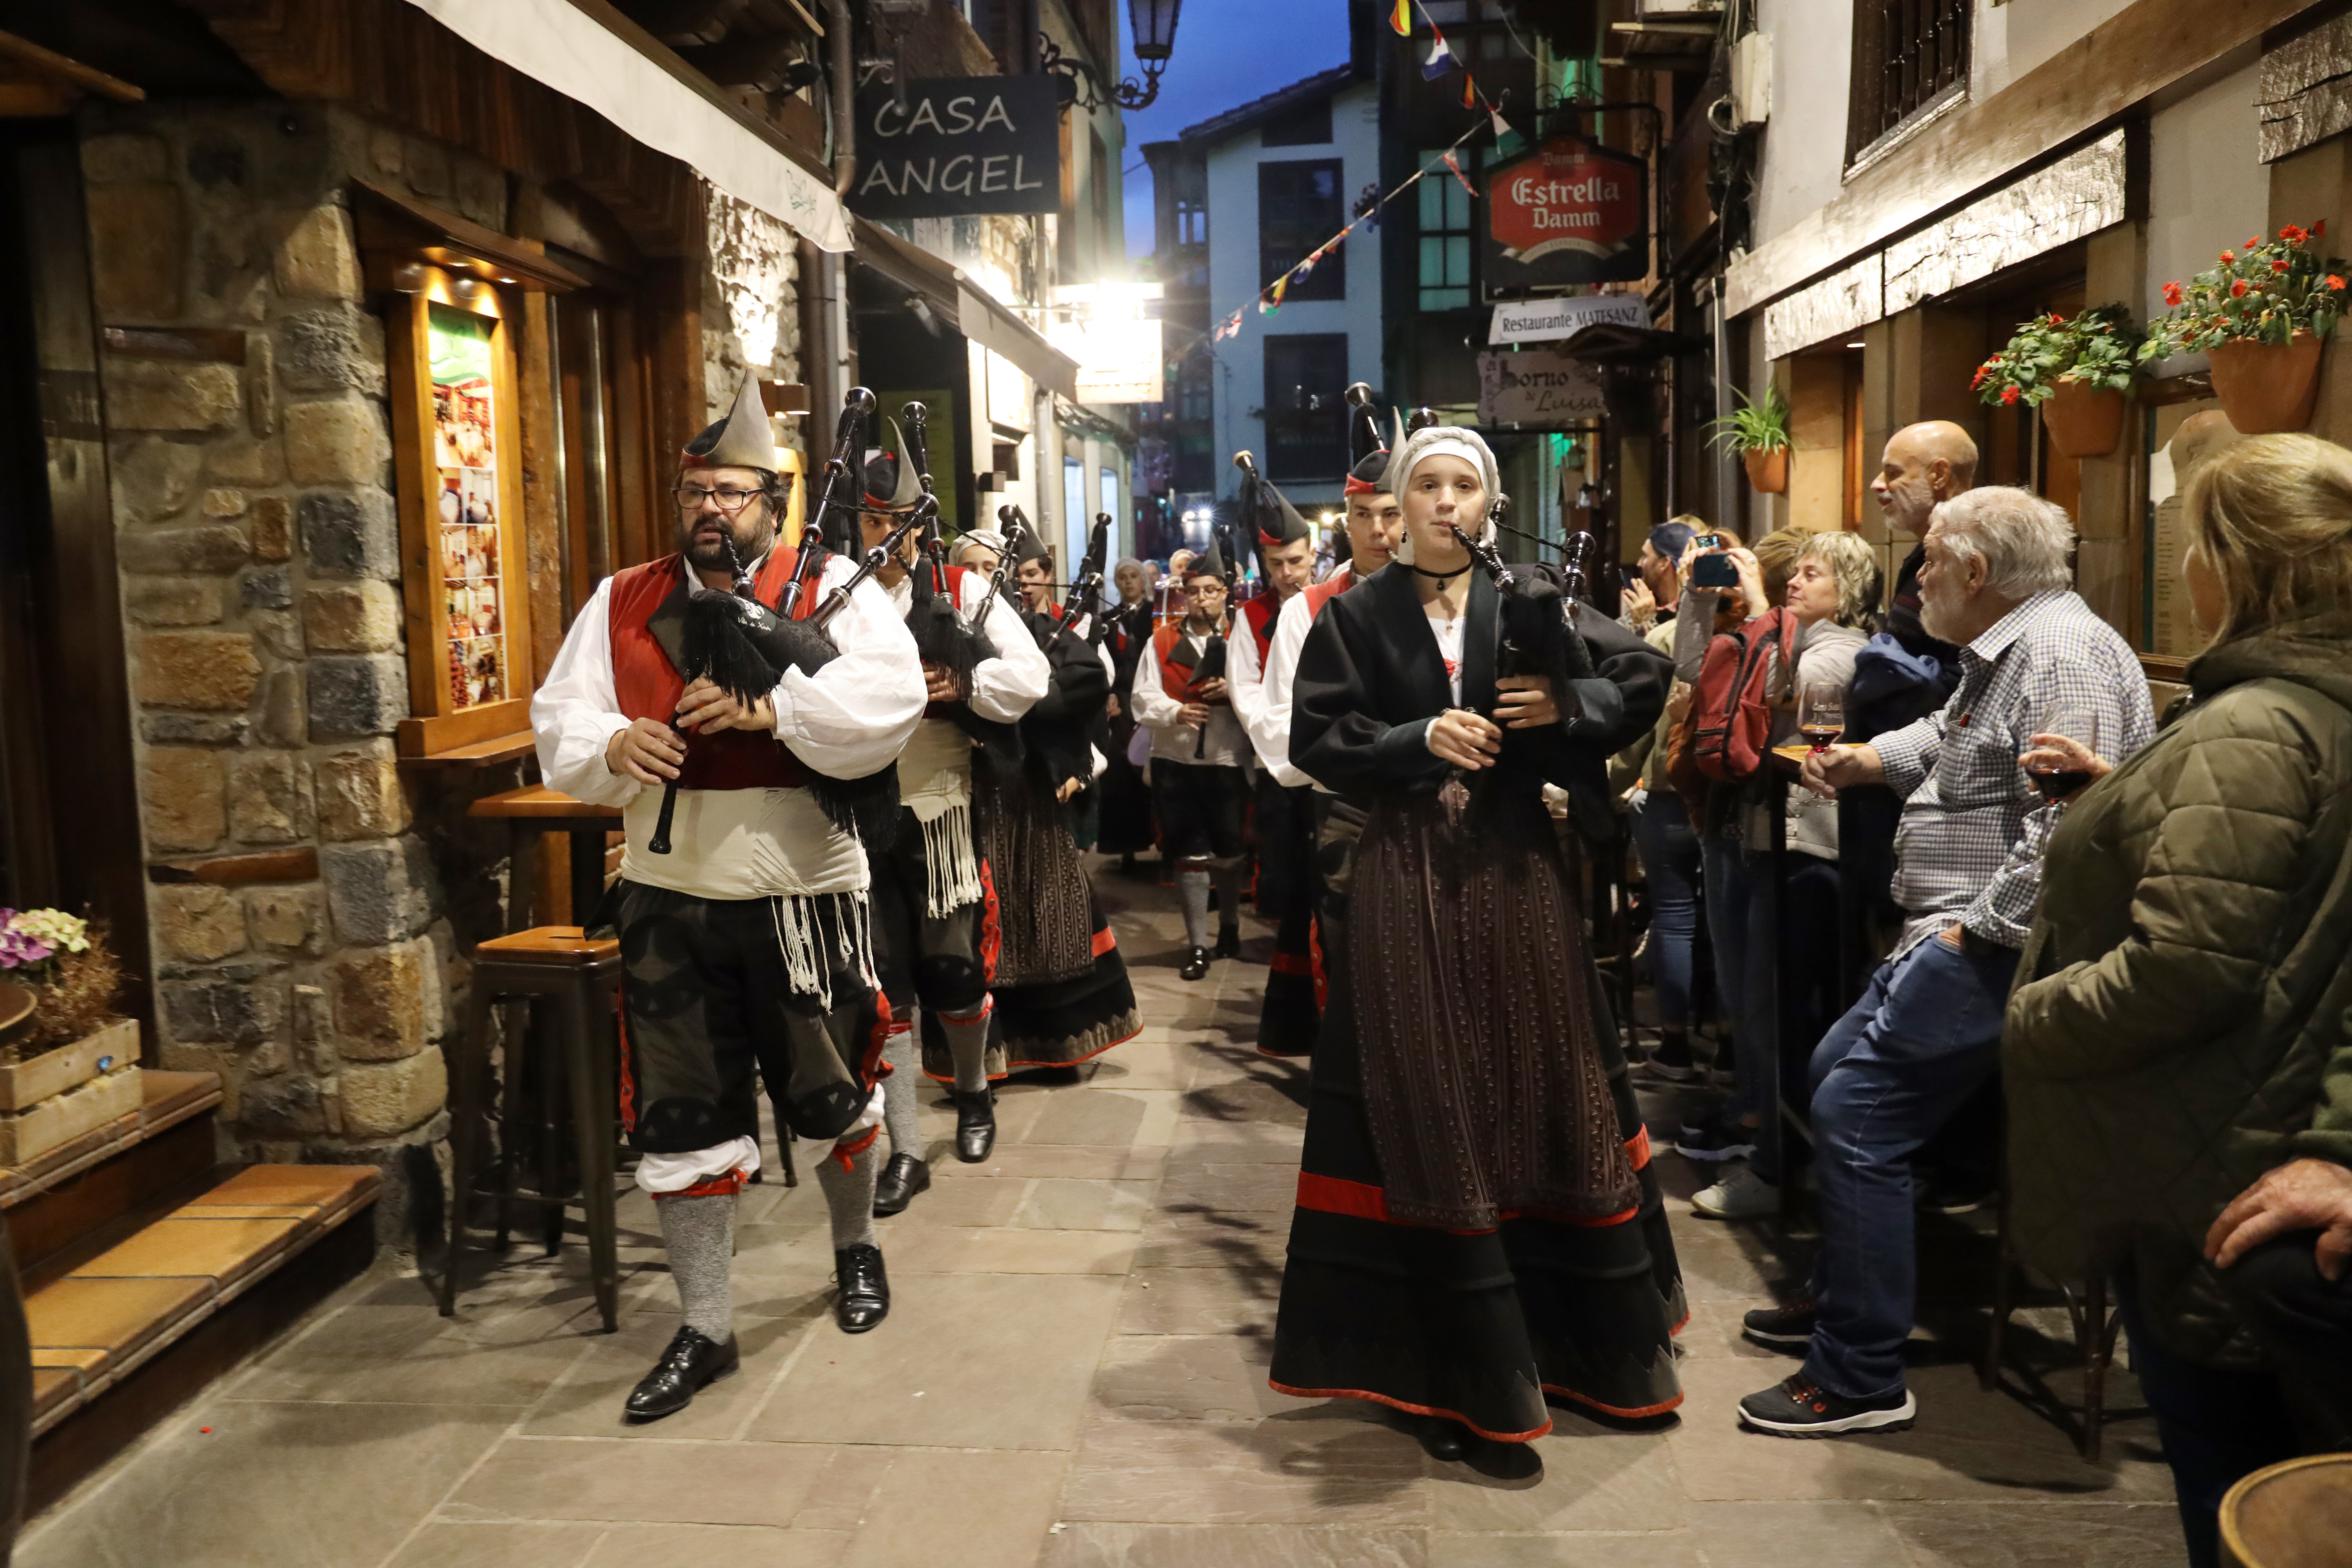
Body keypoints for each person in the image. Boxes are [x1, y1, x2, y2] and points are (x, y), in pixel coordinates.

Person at [1267, 422, 1685, 1459]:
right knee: (1431, 1090)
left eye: (1463, 484)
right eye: (1427, 485)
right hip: (1406, 870)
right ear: (1395, 506)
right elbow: (1315, 738)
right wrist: (1417, 738)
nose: (1444, 500)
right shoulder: (1357, 615)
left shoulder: (1533, 595)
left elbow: (1644, 676)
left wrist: (1562, 701)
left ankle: (1579, 1342)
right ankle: (1457, 1367)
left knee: (1538, 1077)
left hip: (1513, 867)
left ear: (1489, 501)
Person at [531, 377, 925, 1419]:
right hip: (670, 895)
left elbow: (886, 709)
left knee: (838, 1095)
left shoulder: (837, 586)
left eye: (734, 492)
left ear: (774, 501)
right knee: (680, 1121)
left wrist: (771, 707)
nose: (711, 508)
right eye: (697, 490)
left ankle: (855, 1250)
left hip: (806, 896)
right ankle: (704, 1324)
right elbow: (559, 721)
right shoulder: (620, 598)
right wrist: (611, 743)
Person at [1733, 486, 2155, 1437]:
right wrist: (1867, 760)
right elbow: (1953, 738)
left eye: (1927, 560)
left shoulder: (2061, 653)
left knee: (1855, 1109)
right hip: (1956, 928)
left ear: (1974, 571)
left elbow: (2064, 828)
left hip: (1999, 943)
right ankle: (1849, 1297)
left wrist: (1979, 933)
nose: (1914, 576)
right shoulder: (2009, 647)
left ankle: (1859, 1372)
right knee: (1834, 1071)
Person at [2003, 433, 2352, 1566]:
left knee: (2243, 1493)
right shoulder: (2300, 705)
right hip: (2261, 1115)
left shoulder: (2258, 721)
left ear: (2234, 563)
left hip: (2221, 1148)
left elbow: (2183, 964)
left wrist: (2035, 1010)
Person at [857, 435, 1050, 1218]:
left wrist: (963, 681)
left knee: (953, 972)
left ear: (921, 521)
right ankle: (905, 1150)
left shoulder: (962, 589)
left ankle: (973, 1092)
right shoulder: (835, 591)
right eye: (874, 521)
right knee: (885, 987)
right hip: (857, 820)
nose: (887, 536)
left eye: (901, 519)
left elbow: (1029, 675)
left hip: (937, 810)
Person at [1676, 532, 1882, 1220]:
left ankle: (1778, 1168)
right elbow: (1693, 670)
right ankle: (1767, 1142)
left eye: (1812, 573)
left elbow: (1777, 693)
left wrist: (1762, 607)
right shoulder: (1783, 635)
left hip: (1802, 848)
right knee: (1754, 1002)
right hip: (1754, 832)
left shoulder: (1839, 650)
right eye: (1793, 573)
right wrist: (1699, 606)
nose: (1795, 581)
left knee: (1779, 1009)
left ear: (1846, 587)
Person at [944, 527, 1143, 1081]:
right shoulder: (938, 634)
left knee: (1047, 914)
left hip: (1031, 795)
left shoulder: (1039, 630)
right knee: (979, 922)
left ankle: (1059, 1046)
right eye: (971, 568)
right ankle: (988, 1055)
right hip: (966, 798)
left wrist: (1016, 706)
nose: (982, 579)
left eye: (991, 567)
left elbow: (1085, 681)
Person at [1609, 525, 1740, 1093]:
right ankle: (1732, 1045)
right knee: (1726, 922)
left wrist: (1604, 784)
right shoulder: (1760, 635)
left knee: (1674, 918)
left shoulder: (1669, 638)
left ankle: (1676, 1045)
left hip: (1667, 791)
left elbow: (1637, 724)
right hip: (1726, 794)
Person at [1228, 471, 1322, 1056]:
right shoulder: (1252, 615)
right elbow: (1248, 692)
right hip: (1282, 766)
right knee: (1293, 883)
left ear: (1313, 552)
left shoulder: (1337, 598)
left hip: (1340, 764)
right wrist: (1284, 754)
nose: (1286, 574)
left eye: (1295, 559)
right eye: (1275, 563)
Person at [1130, 544, 1251, 979]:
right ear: (1184, 595)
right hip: (1175, 760)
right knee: (1188, 854)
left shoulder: (1243, 637)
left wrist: (1234, 693)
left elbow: (1266, 691)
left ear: (1224, 592)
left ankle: (1231, 925)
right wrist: (1175, 711)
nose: (1202, 599)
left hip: (1227, 758)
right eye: (1194, 592)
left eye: (1211, 590)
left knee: (1230, 852)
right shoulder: (1161, 639)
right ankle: (1198, 944)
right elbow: (1142, 697)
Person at [1097, 557, 1158, 868]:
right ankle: (1126, 847)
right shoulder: (1108, 617)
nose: (1129, 582)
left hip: (1149, 696)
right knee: (1120, 770)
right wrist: (1108, 694)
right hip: (1121, 700)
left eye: (1134, 576)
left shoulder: (1155, 613)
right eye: (1122, 577)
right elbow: (1102, 661)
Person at [1619, 517, 1698, 635]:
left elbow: (1669, 650)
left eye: (1645, 556)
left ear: (1664, 563)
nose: (1639, 563)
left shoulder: (1692, 612)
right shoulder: (1645, 606)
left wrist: (1644, 621)